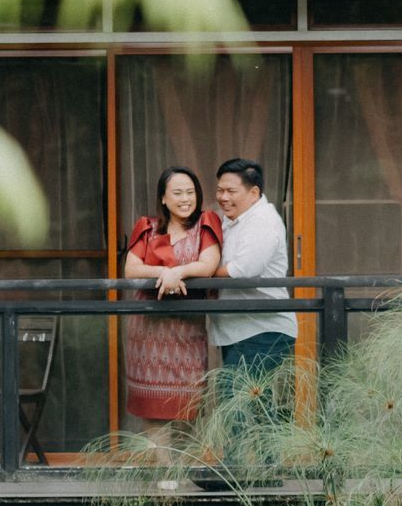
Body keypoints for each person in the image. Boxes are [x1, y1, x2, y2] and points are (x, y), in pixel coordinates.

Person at [122, 167, 223, 423]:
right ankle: (158, 454)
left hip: (187, 331)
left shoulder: (205, 224)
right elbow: (131, 270)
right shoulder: (148, 228)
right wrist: (165, 273)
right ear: (164, 198)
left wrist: (178, 272)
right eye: (178, 193)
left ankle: (182, 453)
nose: (185, 199)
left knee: (187, 413)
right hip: (148, 331)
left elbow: (207, 266)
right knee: (153, 417)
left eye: (190, 192)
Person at [209, 158, 297, 379]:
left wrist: (201, 272)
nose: (223, 197)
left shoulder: (262, 220)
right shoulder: (233, 219)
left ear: (254, 192)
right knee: (246, 399)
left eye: (231, 191)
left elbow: (242, 270)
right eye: (220, 190)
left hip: (261, 330)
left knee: (237, 398)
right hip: (240, 329)